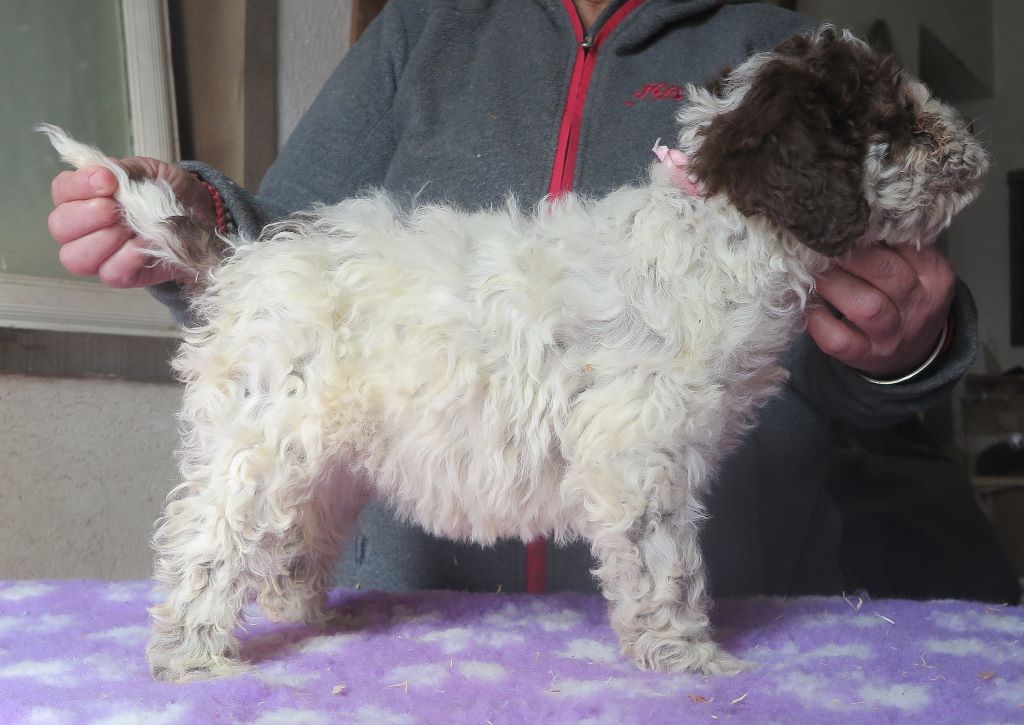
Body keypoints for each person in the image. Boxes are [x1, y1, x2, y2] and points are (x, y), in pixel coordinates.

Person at [46, 0, 1018, 601]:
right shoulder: (423, 28)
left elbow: (863, 380)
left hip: (726, 595)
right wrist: (195, 221)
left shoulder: (778, 60)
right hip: (420, 613)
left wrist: (910, 351)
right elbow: (284, 258)